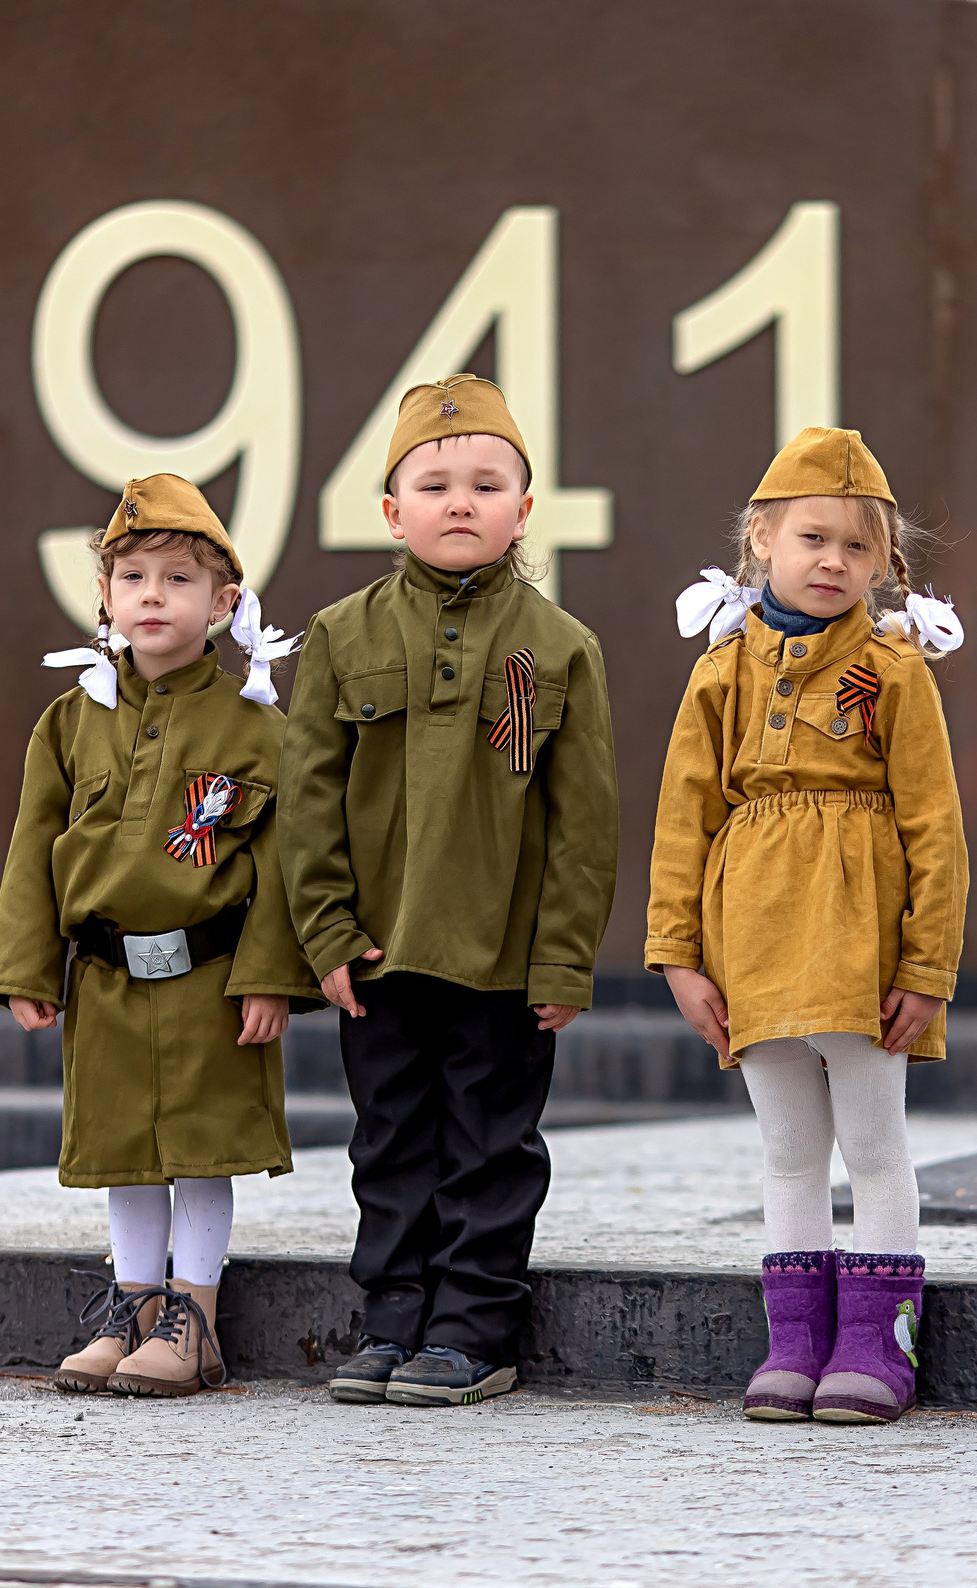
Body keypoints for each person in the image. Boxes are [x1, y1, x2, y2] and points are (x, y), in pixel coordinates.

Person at [281, 374, 619, 1408]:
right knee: (387, 1143)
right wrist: (327, 932)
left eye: (486, 482)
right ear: (392, 511)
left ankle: (472, 1327)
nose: (459, 500)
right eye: (433, 483)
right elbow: (309, 802)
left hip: (502, 957)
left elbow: (584, 824)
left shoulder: (560, 647)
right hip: (377, 955)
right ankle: (392, 1321)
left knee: (490, 1142)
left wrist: (563, 958)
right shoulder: (342, 637)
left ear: (525, 509)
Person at [647, 426, 969, 1426]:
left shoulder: (893, 667)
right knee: (788, 1145)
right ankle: (796, 1339)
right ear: (760, 543)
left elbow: (934, 824)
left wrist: (926, 963)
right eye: (812, 539)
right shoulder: (722, 673)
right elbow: (684, 821)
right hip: (754, 937)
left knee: (871, 1142)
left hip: (858, 937)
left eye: (858, 547)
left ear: (886, 564)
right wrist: (678, 954)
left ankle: (877, 1342)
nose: (834, 561)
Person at [0, 473, 319, 1399]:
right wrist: (26, 966)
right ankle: (133, 1309)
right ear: (103, 595)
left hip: (210, 976)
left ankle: (194, 1318)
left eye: (177, 579)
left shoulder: (255, 727)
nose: (152, 596)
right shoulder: (70, 720)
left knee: (201, 1149)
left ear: (223, 605)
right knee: (124, 1150)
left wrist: (270, 976)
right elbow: (30, 852)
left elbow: (285, 863)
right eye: (131, 576)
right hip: (106, 978)